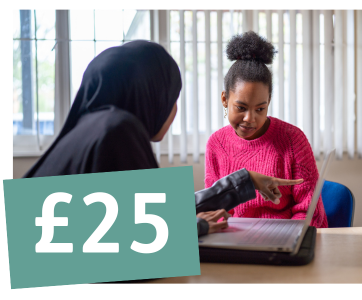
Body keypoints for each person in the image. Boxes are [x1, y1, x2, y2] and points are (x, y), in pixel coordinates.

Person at [23, 40, 303, 236]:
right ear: (149, 98)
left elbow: (131, 217)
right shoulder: (117, 131)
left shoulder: (86, 133)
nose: (174, 108)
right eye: (171, 98)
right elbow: (136, 238)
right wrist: (196, 227)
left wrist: (247, 180)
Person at [205, 31, 328, 228]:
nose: (250, 119)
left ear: (269, 102)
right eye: (241, 108)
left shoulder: (293, 140)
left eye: (260, 109)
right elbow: (215, 209)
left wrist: (289, 239)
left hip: (285, 240)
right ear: (225, 99)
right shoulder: (216, 144)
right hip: (235, 239)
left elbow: (309, 211)